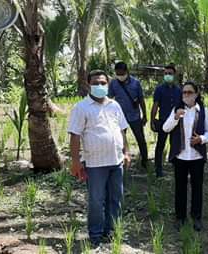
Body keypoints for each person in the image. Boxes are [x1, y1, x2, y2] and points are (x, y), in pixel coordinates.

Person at [67, 70, 131, 247]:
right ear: (88, 85)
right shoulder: (81, 108)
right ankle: (95, 236)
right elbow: (75, 136)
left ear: (108, 84)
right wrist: (75, 161)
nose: (100, 86)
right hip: (95, 164)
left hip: (116, 161)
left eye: (103, 83)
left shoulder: (114, 106)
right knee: (96, 201)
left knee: (116, 199)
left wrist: (126, 152)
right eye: (96, 83)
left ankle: (111, 232)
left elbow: (122, 130)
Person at [162, 81, 208, 232]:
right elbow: (165, 128)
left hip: (197, 156)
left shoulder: (203, 110)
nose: (186, 95)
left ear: (196, 94)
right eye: (184, 92)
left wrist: (202, 139)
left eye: (190, 92)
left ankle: (196, 217)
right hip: (180, 156)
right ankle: (180, 217)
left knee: (197, 188)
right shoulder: (177, 110)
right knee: (180, 188)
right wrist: (175, 117)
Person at [108, 62, 149, 169]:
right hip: (119, 117)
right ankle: (121, 162)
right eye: (117, 74)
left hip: (134, 116)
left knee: (140, 139)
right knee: (119, 140)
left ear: (126, 72)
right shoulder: (113, 83)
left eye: (121, 74)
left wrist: (144, 115)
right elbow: (108, 99)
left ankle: (145, 162)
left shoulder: (135, 83)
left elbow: (141, 100)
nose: (120, 76)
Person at [150, 65, 181, 177]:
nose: (168, 75)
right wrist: (152, 121)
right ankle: (158, 170)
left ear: (174, 75)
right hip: (163, 122)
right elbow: (155, 106)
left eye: (170, 73)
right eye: (166, 73)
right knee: (160, 145)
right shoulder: (159, 89)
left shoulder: (179, 90)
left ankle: (174, 165)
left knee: (175, 144)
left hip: (176, 122)